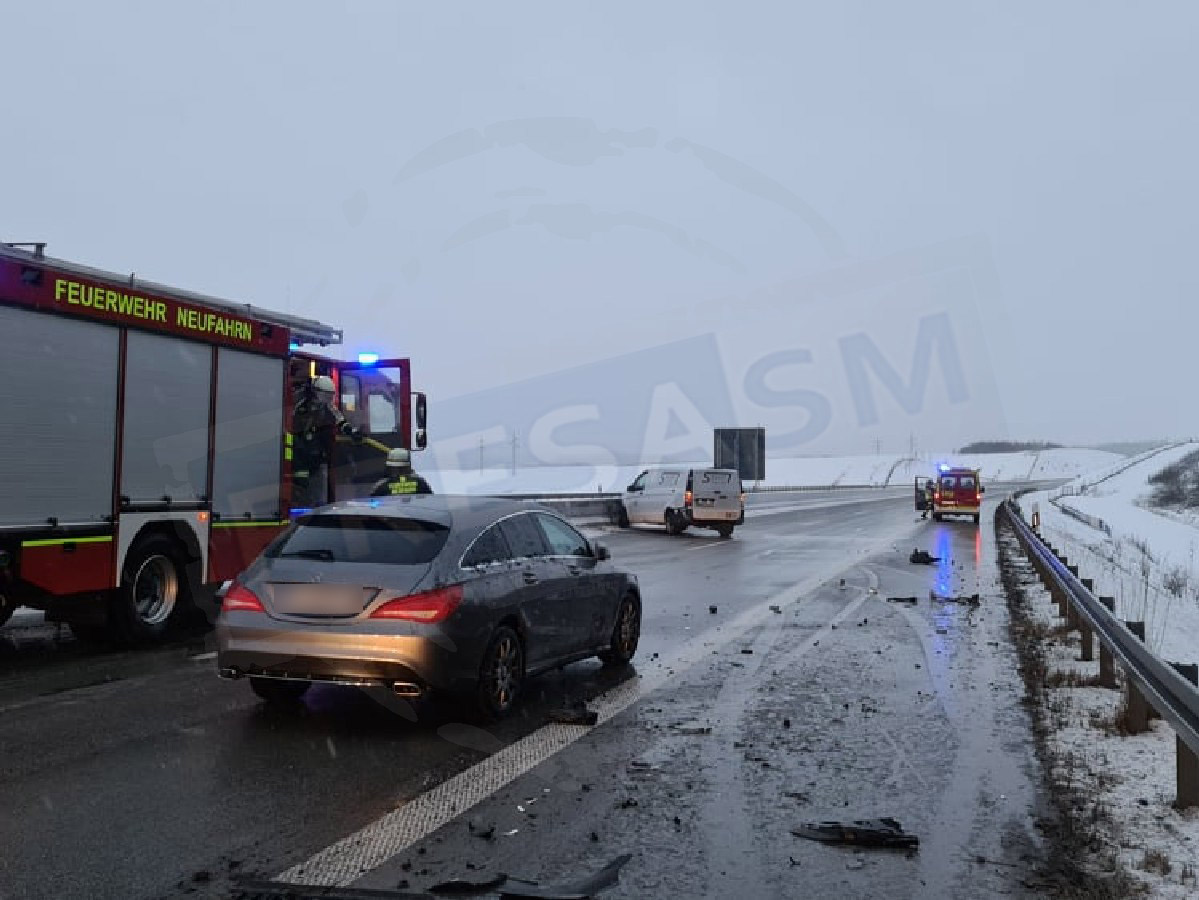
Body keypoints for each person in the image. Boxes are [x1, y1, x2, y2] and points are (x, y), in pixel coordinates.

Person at [293, 375, 359, 508]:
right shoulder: (301, 405)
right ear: (317, 392)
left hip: (317, 453)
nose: (329, 398)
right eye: (327, 395)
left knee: (317, 487)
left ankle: (316, 507)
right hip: (299, 451)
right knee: (301, 484)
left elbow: (340, 419)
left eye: (331, 395)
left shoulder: (328, 406)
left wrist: (352, 432)